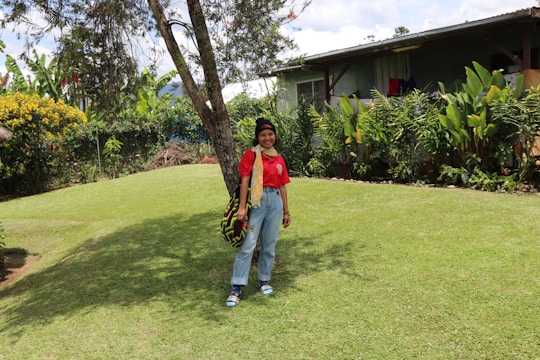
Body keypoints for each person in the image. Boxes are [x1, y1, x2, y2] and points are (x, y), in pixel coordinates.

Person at [226, 117, 291, 307]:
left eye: (270, 134)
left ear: (275, 136)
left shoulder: (278, 158)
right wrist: (241, 207)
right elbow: (245, 181)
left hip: (276, 201)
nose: (267, 138)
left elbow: (283, 186)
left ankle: (264, 280)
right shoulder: (251, 155)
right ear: (257, 138)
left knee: (269, 245)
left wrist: (287, 211)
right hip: (257, 202)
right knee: (248, 245)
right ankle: (236, 287)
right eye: (263, 135)